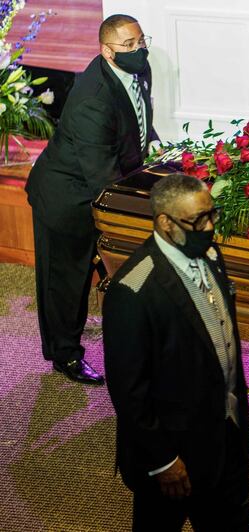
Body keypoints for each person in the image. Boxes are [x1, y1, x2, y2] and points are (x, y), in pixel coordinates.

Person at [103, 174, 249, 531]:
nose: (211, 228)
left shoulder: (210, 255)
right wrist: (163, 461)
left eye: (212, 215)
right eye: (199, 221)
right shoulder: (134, 290)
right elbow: (129, 390)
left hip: (226, 438)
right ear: (165, 223)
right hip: (174, 458)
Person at [25, 14, 159, 385]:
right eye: (129, 45)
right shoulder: (92, 101)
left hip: (98, 180)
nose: (139, 49)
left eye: (141, 40)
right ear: (107, 51)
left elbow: (137, 115)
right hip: (66, 197)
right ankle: (64, 354)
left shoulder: (137, 69)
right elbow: (104, 176)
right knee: (66, 282)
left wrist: (156, 143)